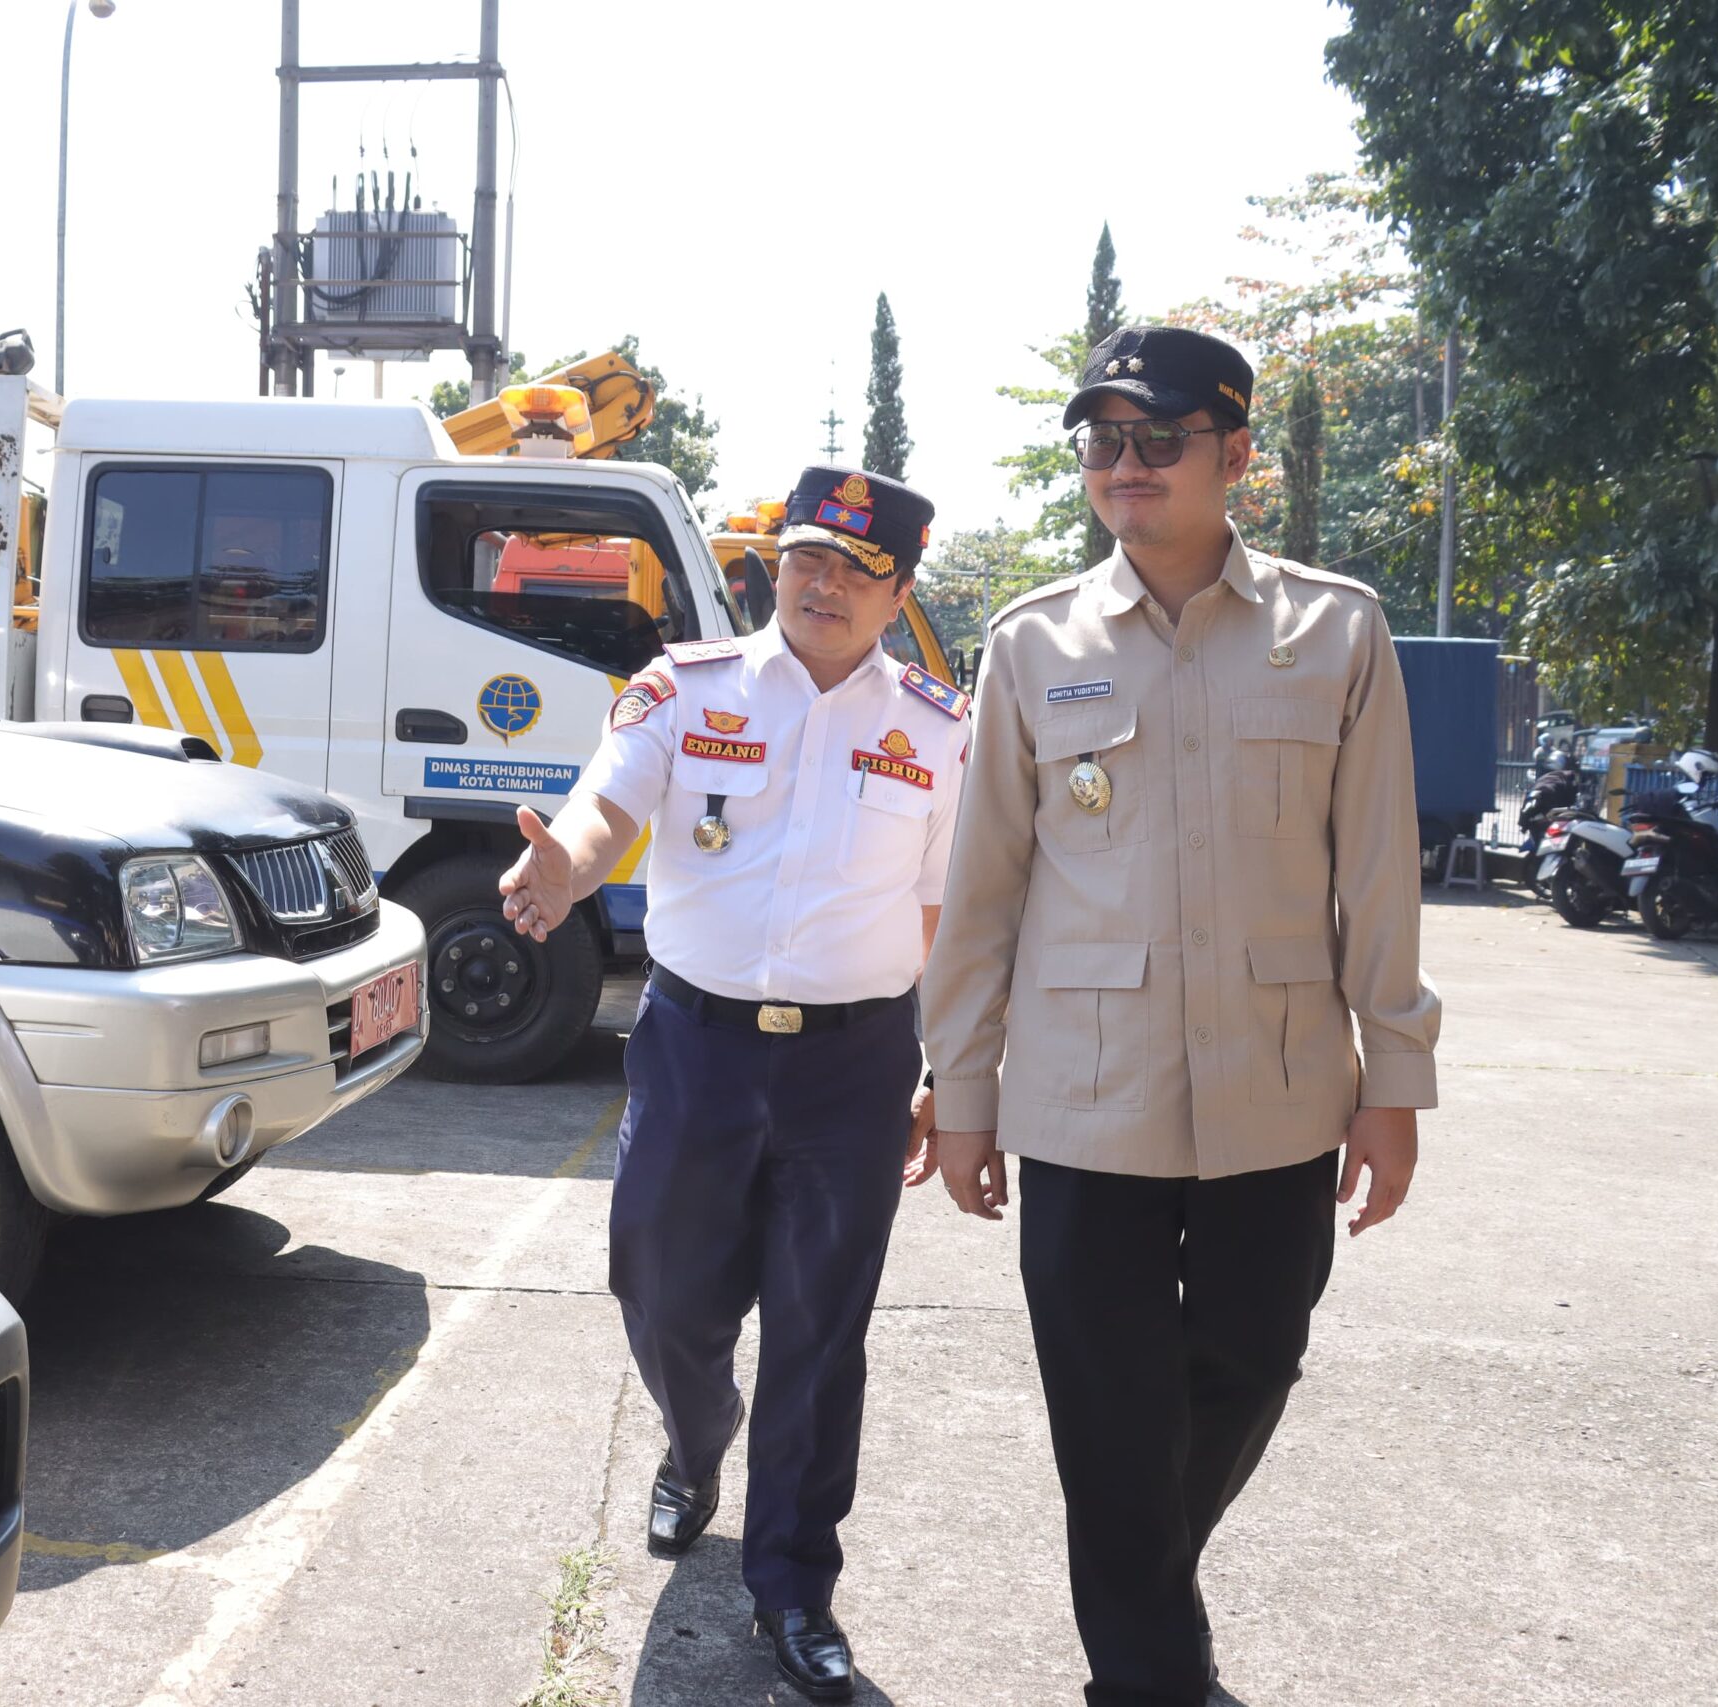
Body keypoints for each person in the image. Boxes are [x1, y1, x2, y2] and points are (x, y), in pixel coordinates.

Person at [915, 324, 1442, 1707]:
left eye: (1158, 439)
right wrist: (960, 1091)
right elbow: (983, 892)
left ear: (1236, 457)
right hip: (1088, 1094)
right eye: (1103, 441)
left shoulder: (1337, 629)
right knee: (1108, 1411)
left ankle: (1141, 1588)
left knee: (1255, 1355)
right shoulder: (1032, 643)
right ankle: (1152, 1679)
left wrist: (1394, 1076)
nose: (1126, 465)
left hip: (1278, 1086)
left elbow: (1380, 872)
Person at [499, 465, 968, 1703]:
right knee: (658, 1286)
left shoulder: (935, 730)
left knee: (821, 1330)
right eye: (807, 558)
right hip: (696, 1045)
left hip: (854, 1062)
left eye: (857, 570)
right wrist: (566, 870)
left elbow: (944, 918)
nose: (823, 584)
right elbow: (608, 808)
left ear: (897, 593)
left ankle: (795, 1587)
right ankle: (693, 1442)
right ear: (775, 567)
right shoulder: (683, 687)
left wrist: (943, 1070)